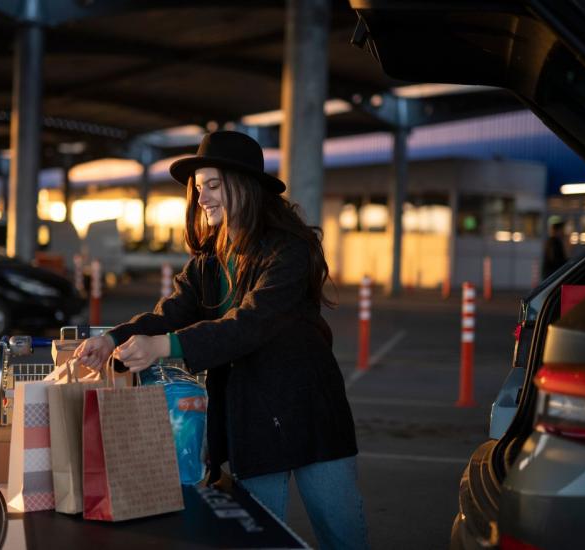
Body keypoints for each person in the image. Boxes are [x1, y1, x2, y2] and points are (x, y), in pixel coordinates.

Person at [74, 131, 369, 549]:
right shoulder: (210, 258)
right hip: (250, 419)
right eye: (199, 190)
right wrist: (114, 338)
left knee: (341, 535)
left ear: (244, 187)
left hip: (309, 411)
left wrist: (166, 346)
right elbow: (173, 311)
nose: (203, 198)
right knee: (255, 539)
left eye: (213, 186)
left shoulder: (288, 251)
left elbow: (251, 323)